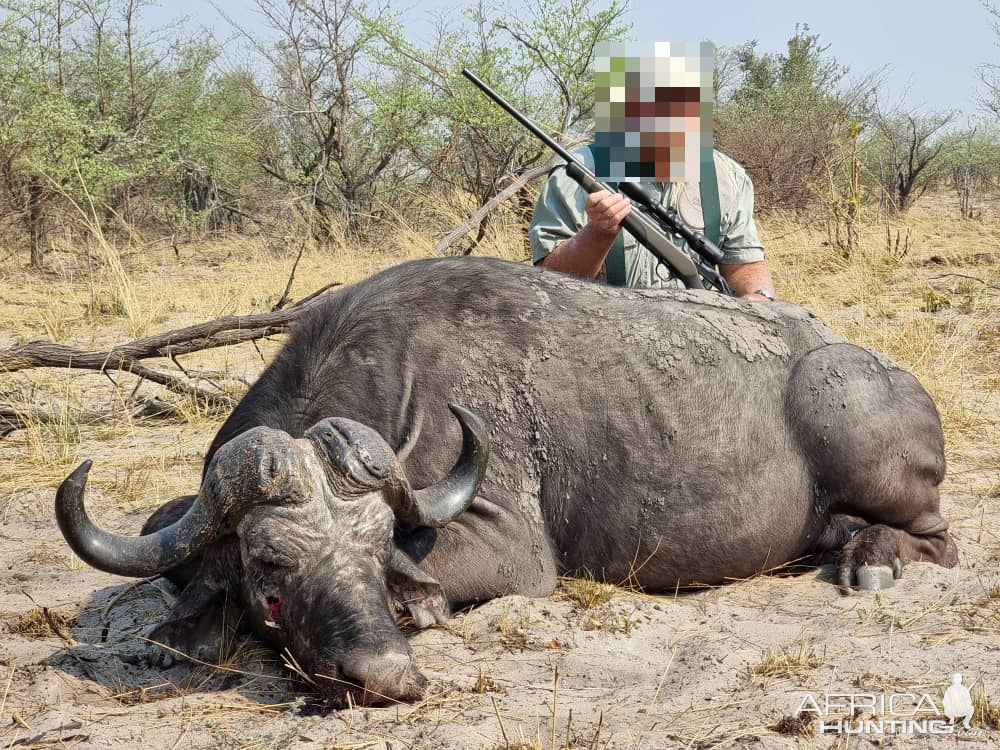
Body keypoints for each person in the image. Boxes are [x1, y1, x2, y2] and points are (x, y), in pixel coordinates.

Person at [529, 147, 776, 301]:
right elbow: (549, 283)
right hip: (603, 343)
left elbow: (744, 266)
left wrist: (759, 297)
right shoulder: (582, 167)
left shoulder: (727, 176)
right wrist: (598, 233)